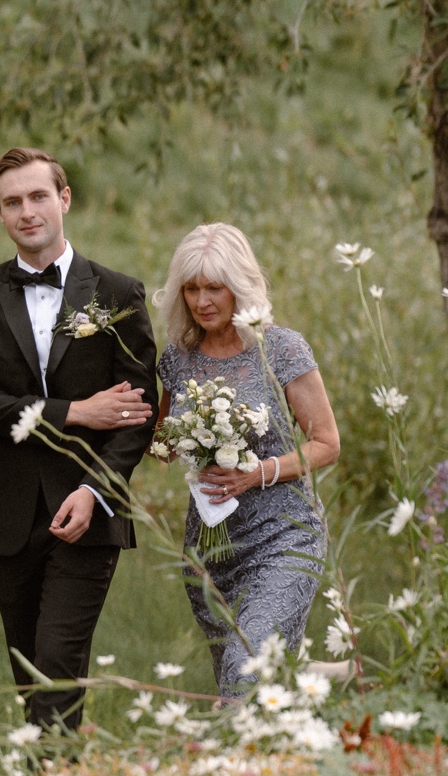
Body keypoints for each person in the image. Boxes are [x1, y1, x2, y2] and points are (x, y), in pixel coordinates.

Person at [0, 148, 157, 731]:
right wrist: (72, 412)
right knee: (29, 678)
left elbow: (139, 412)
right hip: (6, 515)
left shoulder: (117, 293)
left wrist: (97, 491)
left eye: (38, 196)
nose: (27, 211)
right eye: (12, 202)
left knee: (59, 667)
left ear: (64, 199)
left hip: (89, 514)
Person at [153, 224, 339, 698]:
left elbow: (327, 443)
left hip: (284, 538)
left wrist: (257, 472)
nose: (202, 300)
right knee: (245, 682)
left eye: (214, 287)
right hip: (209, 552)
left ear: (240, 286)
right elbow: (162, 440)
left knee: (245, 678)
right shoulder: (178, 358)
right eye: (191, 288)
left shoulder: (280, 348)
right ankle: (308, 683)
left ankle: (236, 766)